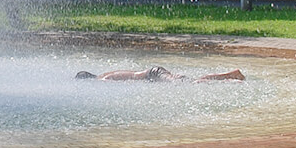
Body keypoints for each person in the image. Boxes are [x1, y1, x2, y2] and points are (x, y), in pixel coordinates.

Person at [75, 66, 245, 82]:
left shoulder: (104, 79)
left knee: (188, 83)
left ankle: (229, 77)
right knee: (188, 81)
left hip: (153, 75)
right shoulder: (106, 73)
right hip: (153, 73)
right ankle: (230, 76)